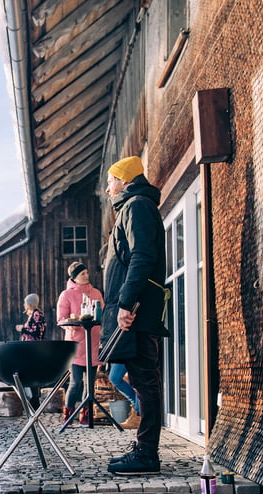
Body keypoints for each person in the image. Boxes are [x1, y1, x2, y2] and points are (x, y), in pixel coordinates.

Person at [102, 156, 168, 475]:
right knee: (143, 379)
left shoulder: (136, 205)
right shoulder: (135, 205)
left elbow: (142, 256)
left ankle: (146, 454)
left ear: (124, 181)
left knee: (145, 380)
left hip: (138, 311)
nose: (108, 187)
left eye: (111, 180)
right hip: (136, 310)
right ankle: (144, 449)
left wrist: (126, 303)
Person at [57, 262, 104, 425]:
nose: (86, 275)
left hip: (93, 344)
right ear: (74, 277)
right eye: (82, 273)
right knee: (76, 382)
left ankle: (86, 416)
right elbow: (61, 319)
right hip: (75, 346)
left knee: (89, 384)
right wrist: (75, 321)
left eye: (86, 272)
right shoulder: (66, 295)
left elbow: (101, 316)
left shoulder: (96, 293)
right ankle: (68, 415)